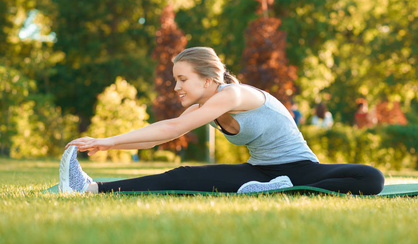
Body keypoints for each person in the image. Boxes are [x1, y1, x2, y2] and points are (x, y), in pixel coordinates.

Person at [59, 47, 384, 195]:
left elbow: (172, 128)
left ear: (209, 78)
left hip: (300, 167)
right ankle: (90, 188)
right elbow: (159, 135)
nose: (176, 87)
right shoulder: (206, 105)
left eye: (182, 79)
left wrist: (110, 141)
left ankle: (285, 191)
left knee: (371, 178)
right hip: (260, 173)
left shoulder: (234, 94)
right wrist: (105, 142)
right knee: (182, 177)